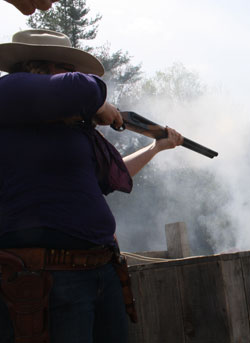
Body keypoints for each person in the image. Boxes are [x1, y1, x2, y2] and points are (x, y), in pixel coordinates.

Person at [0, 29, 183, 343]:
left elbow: (109, 177)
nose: (72, 74)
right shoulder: (9, 90)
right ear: (34, 68)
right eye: (64, 68)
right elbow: (85, 89)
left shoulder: (69, 128)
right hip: (49, 276)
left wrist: (156, 148)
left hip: (100, 269)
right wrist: (100, 108)